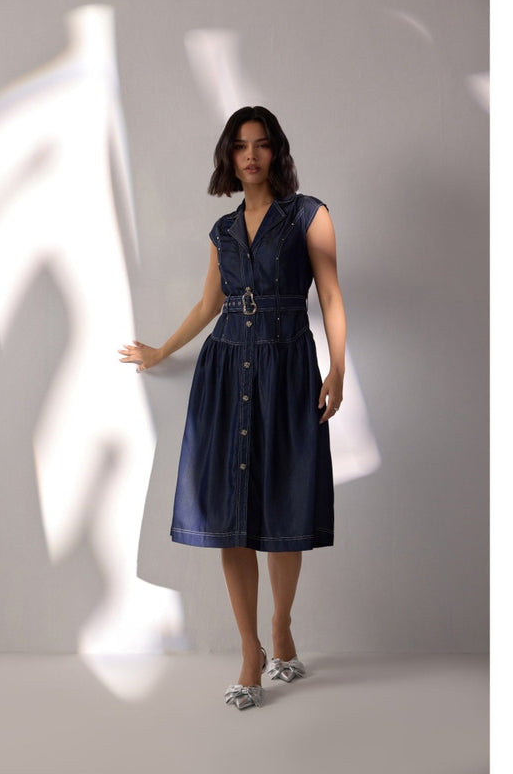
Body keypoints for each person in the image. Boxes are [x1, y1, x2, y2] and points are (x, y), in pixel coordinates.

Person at [118, 106, 346, 709]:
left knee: (284, 506)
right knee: (231, 512)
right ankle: (250, 652)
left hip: (288, 370)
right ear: (229, 155)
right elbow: (208, 304)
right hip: (225, 371)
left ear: (276, 152)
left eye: (261, 144)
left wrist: (338, 369)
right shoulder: (222, 231)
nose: (251, 155)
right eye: (241, 146)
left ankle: (281, 627)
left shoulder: (309, 215)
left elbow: (330, 295)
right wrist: (161, 349)